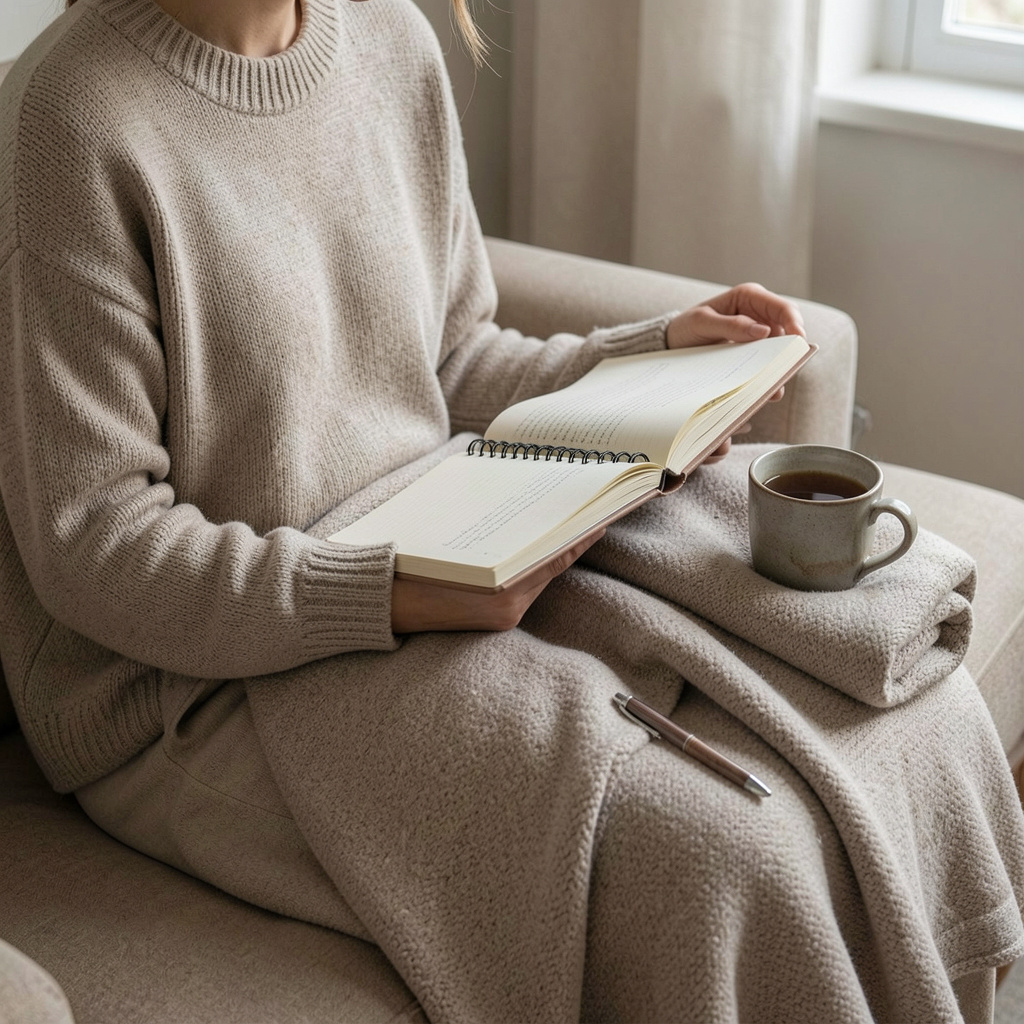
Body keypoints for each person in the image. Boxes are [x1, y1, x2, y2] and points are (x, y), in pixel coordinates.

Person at [12, 1, 994, 1022]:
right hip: (186, 687)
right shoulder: (72, 121)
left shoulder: (388, 35)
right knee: (722, 855)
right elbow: (95, 545)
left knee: (885, 701)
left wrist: (648, 357)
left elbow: (450, 356)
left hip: (430, 535)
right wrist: (384, 593)